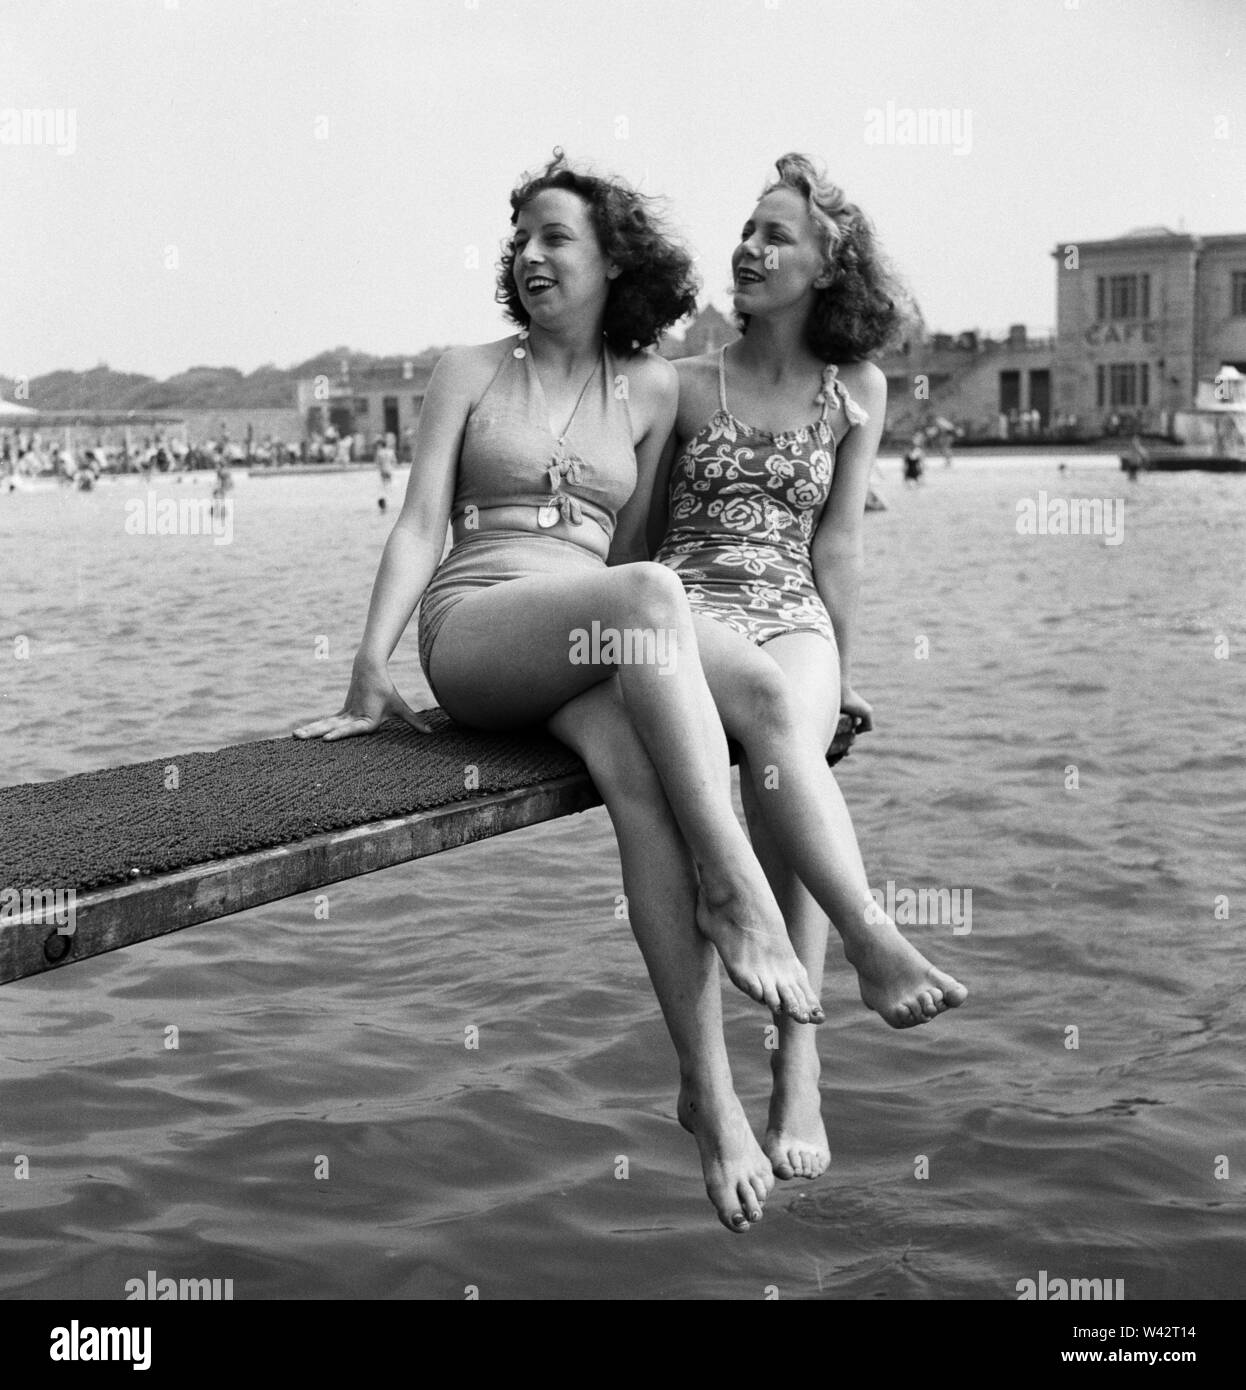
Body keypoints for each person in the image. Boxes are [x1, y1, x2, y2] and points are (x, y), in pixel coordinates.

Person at [294, 153, 827, 1232]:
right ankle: (733, 882)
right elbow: (415, 522)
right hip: (481, 625)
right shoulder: (468, 369)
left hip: (587, 628)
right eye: (521, 241)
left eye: (555, 239)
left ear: (611, 261)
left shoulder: (649, 386)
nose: (530, 257)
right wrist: (369, 666)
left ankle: (709, 1089)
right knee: (646, 597)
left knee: (684, 734)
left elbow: (636, 551)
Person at [628, 153, 966, 1180]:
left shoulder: (853, 390)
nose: (750, 246)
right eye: (746, 228)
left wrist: (846, 669)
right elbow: (638, 544)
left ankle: (799, 1066)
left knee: (797, 754)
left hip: (794, 612)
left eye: (777, 234)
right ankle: (869, 945)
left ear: (827, 268)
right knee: (776, 713)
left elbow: (838, 546)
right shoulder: (681, 384)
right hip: (693, 611)